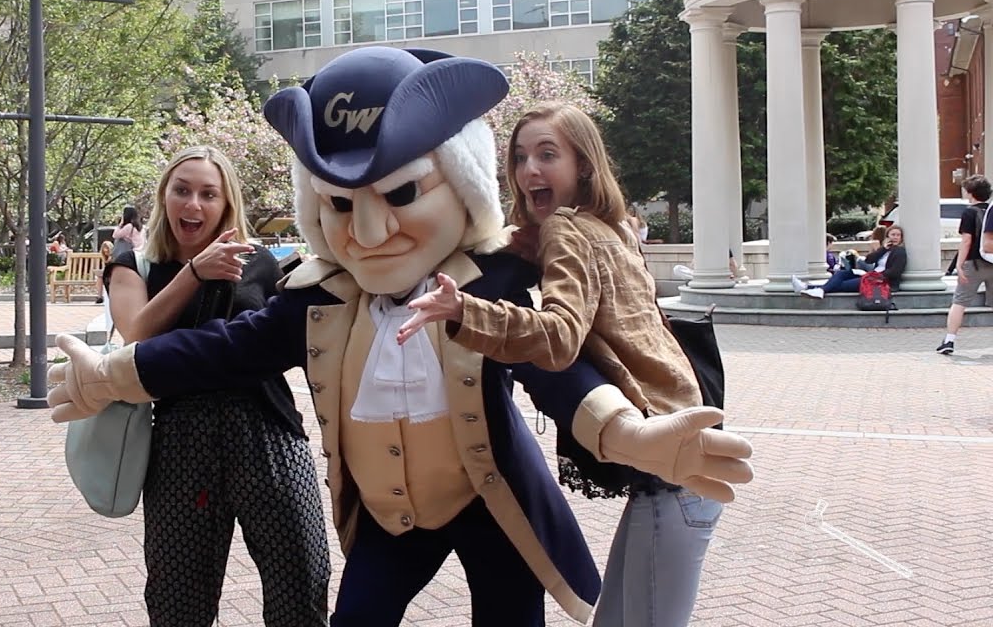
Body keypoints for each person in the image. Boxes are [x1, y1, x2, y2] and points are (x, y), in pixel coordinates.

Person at [46, 47, 754, 627]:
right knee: (358, 617)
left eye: (403, 193)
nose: (370, 230)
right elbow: (224, 349)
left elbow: (554, 367)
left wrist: (630, 435)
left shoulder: (486, 280)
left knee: (510, 617)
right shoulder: (320, 297)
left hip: (490, 498)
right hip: (390, 514)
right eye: (341, 203)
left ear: (462, 185)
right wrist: (111, 374)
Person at [397, 101, 728, 627]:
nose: (529, 170)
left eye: (548, 155)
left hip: (675, 469)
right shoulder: (616, 227)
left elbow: (559, 338)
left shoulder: (567, 229)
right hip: (678, 461)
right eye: (519, 157)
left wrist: (464, 311)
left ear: (584, 165)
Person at [101, 146, 329, 627]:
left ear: (227, 203)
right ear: (164, 195)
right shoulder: (134, 264)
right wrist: (194, 273)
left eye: (208, 194)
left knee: (302, 581)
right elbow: (135, 339)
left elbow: (295, 338)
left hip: (267, 431)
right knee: (179, 601)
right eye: (182, 190)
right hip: (181, 444)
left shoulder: (260, 262)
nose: (193, 204)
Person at [938, 175, 993, 354]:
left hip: (974, 263)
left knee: (960, 302)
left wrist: (959, 265)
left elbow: (966, 241)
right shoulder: (991, 210)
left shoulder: (970, 212)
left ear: (970, 193)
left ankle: (949, 340)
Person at [791, 225, 907, 298]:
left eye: (898, 235)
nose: (895, 237)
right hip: (871, 276)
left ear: (901, 238)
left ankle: (807, 288)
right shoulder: (885, 250)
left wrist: (874, 275)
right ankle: (816, 290)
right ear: (887, 236)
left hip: (880, 281)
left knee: (842, 285)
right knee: (842, 274)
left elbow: (895, 272)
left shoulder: (900, 252)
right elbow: (869, 260)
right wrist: (883, 249)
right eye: (893, 234)